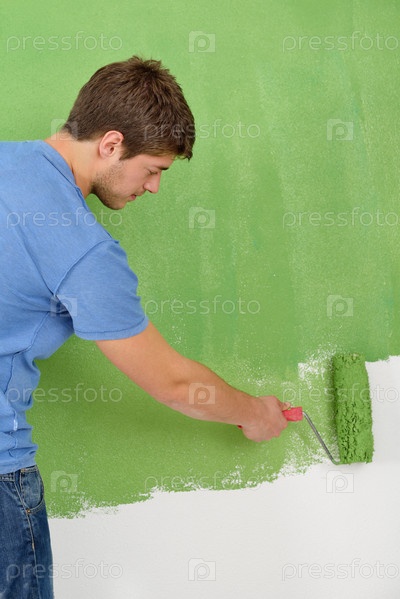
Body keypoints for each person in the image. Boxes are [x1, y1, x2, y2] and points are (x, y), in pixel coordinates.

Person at [0, 55, 289, 598]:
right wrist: (255, 415)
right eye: (154, 169)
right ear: (111, 144)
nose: (154, 187)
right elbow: (175, 384)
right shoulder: (84, 252)